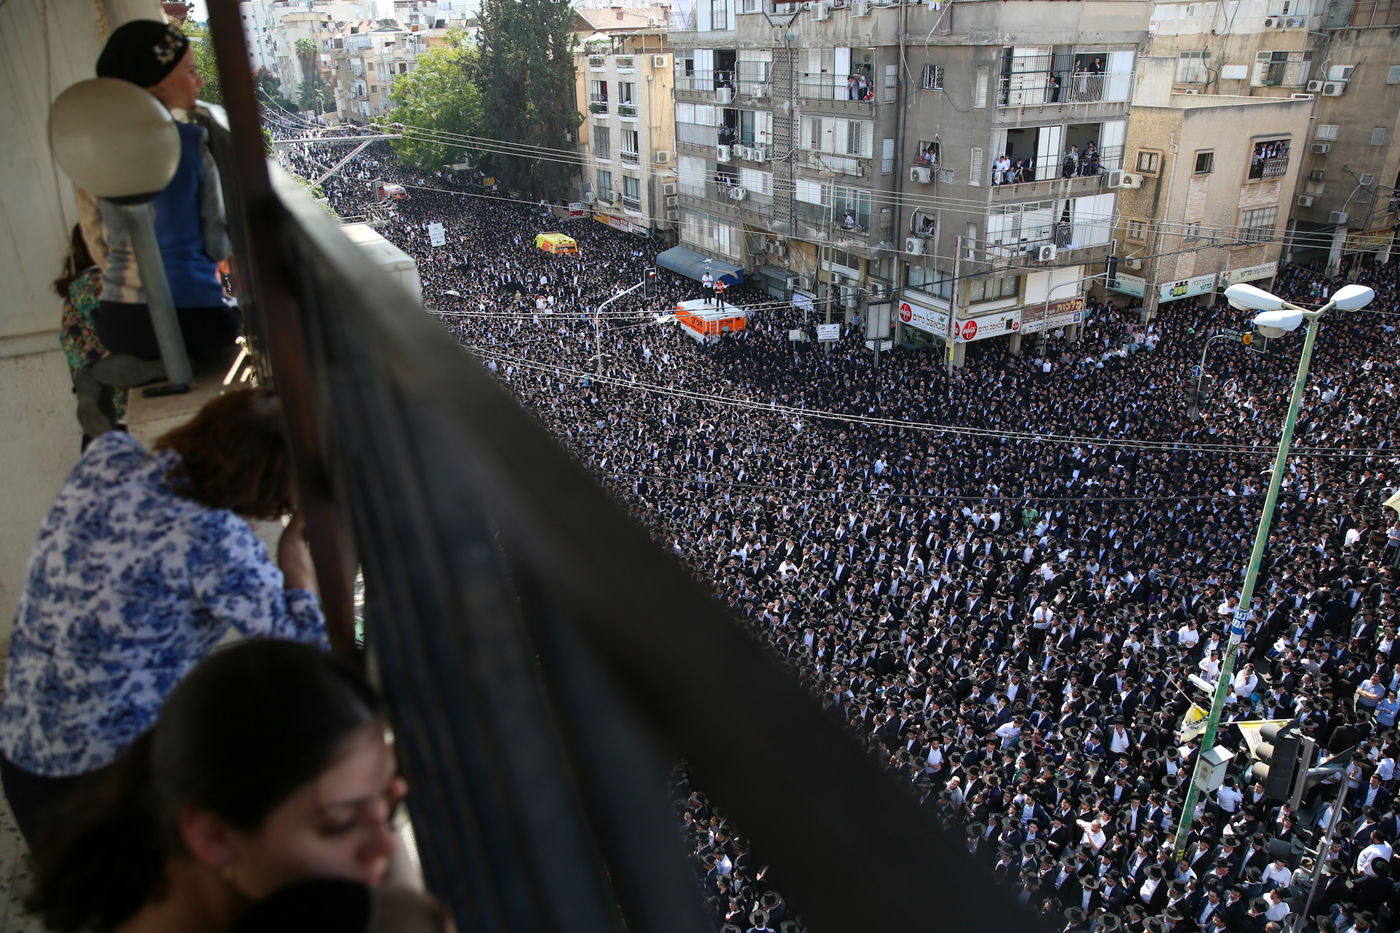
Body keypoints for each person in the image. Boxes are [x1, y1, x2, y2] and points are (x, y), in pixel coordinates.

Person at [0, 388, 325, 848]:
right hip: (99, 790)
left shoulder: (110, 459)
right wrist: (293, 554)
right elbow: (311, 649)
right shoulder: (210, 537)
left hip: (21, 754)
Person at [24, 639, 443, 933]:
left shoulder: (164, 873)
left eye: (388, 808)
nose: (385, 848)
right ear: (213, 836)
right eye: (338, 823)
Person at [89, 20, 241, 363]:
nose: (199, 81)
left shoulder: (95, 150)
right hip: (192, 318)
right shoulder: (190, 145)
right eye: (190, 71)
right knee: (230, 322)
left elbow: (98, 239)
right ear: (158, 83)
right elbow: (217, 245)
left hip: (118, 322)